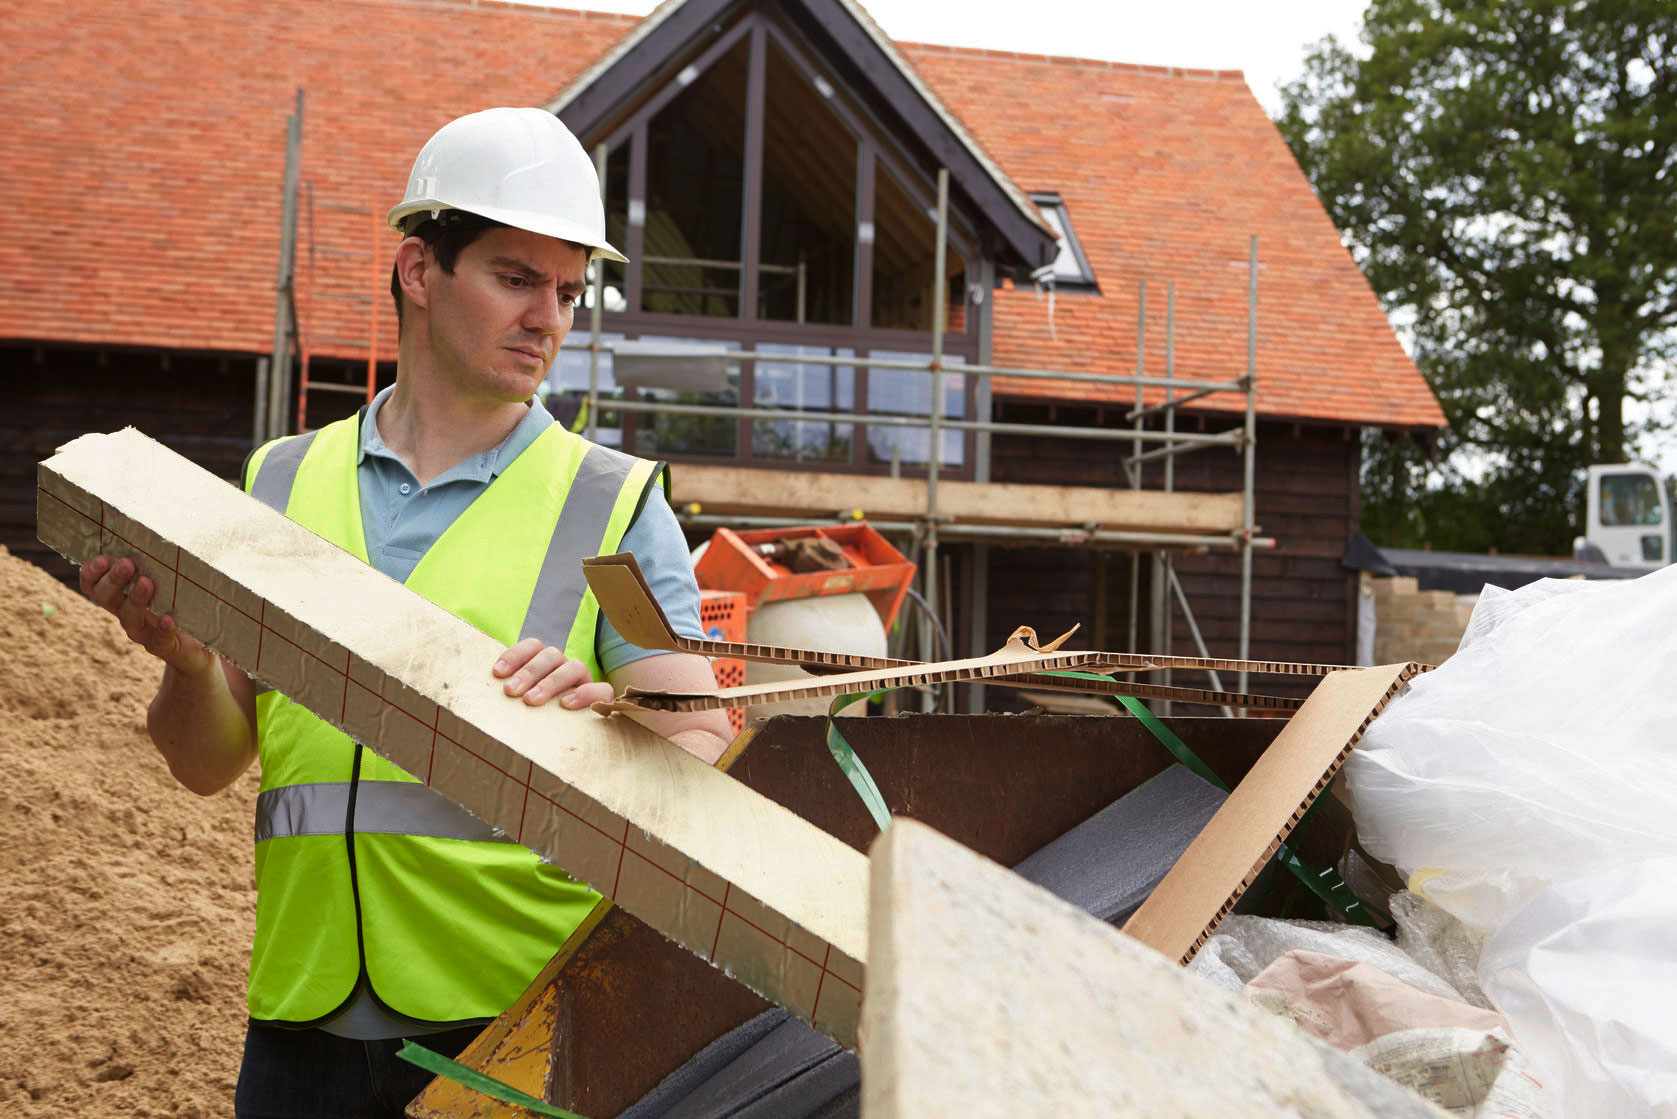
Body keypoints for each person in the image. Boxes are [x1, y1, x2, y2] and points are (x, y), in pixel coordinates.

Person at [77, 107, 732, 1119]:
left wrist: (607, 712)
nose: (549, 318)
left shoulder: (609, 504)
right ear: (421, 271)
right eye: (516, 278)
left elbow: (701, 746)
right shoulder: (283, 480)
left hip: (510, 1027)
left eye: (567, 290)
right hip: (299, 1027)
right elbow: (205, 763)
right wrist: (185, 660)